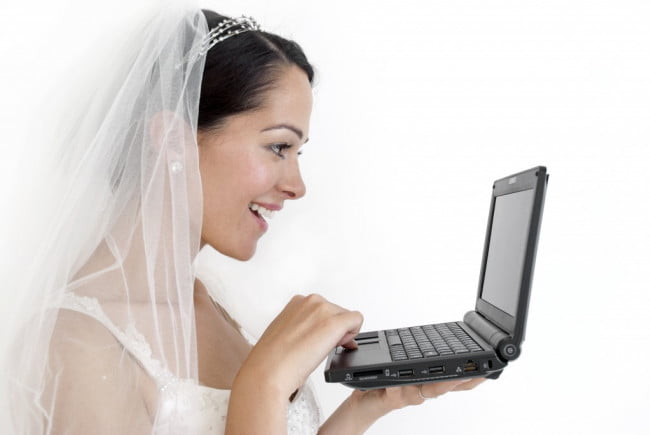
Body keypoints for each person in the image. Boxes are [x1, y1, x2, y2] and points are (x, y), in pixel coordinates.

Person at [0, 2, 484, 434]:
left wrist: (364, 408)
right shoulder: (73, 344)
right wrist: (264, 385)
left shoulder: (212, 304)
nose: (297, 186)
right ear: (171, 138)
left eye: (297, 152)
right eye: (278, 147)